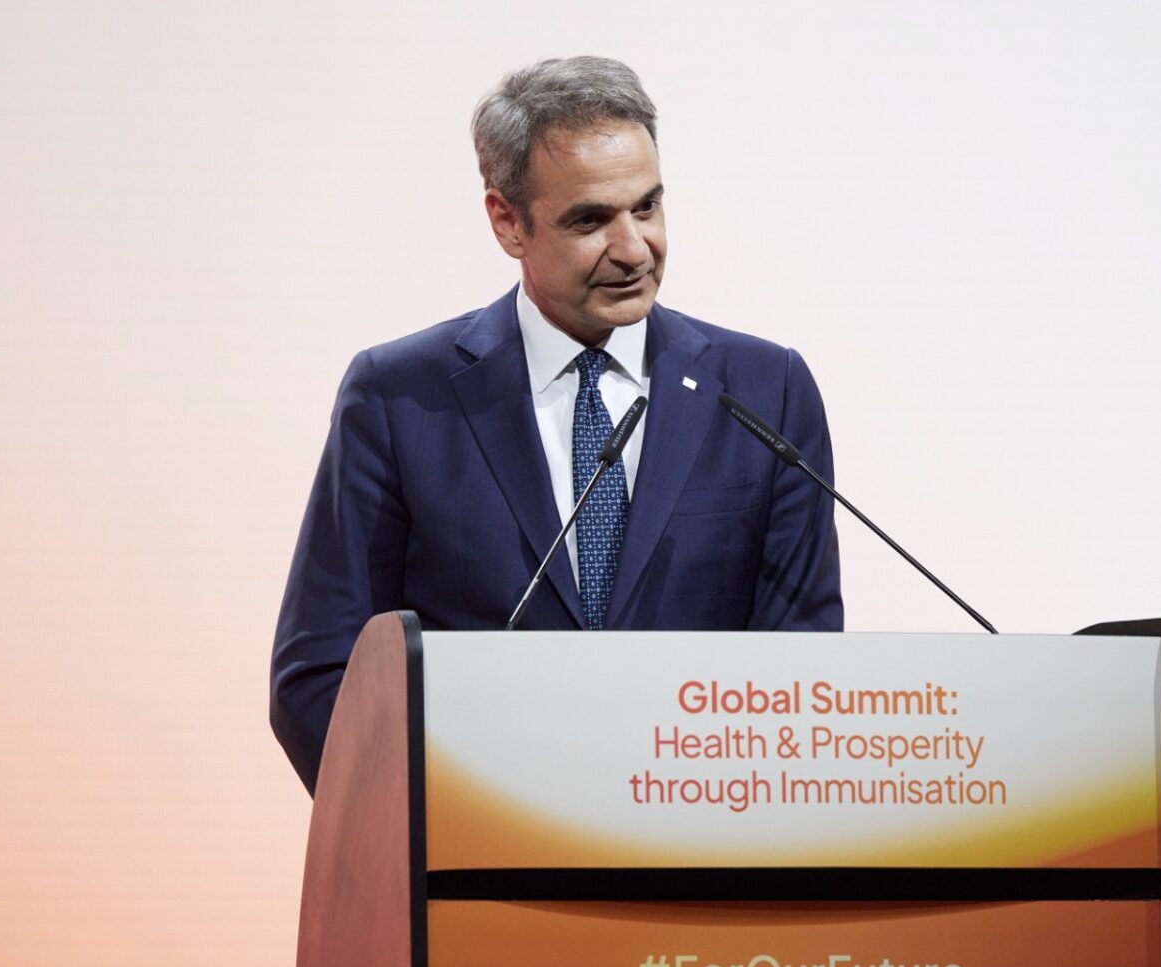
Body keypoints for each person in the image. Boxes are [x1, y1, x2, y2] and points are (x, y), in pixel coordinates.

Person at [271, 56, 843, 795]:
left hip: (701, 843)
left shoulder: (768, 392)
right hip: (479, 849)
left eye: (647, 207)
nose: (633, 249)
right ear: (508, 222)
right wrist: (447, 829)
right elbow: (319, 675)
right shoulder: (399, 397)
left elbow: (802, 667)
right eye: (590, 220)